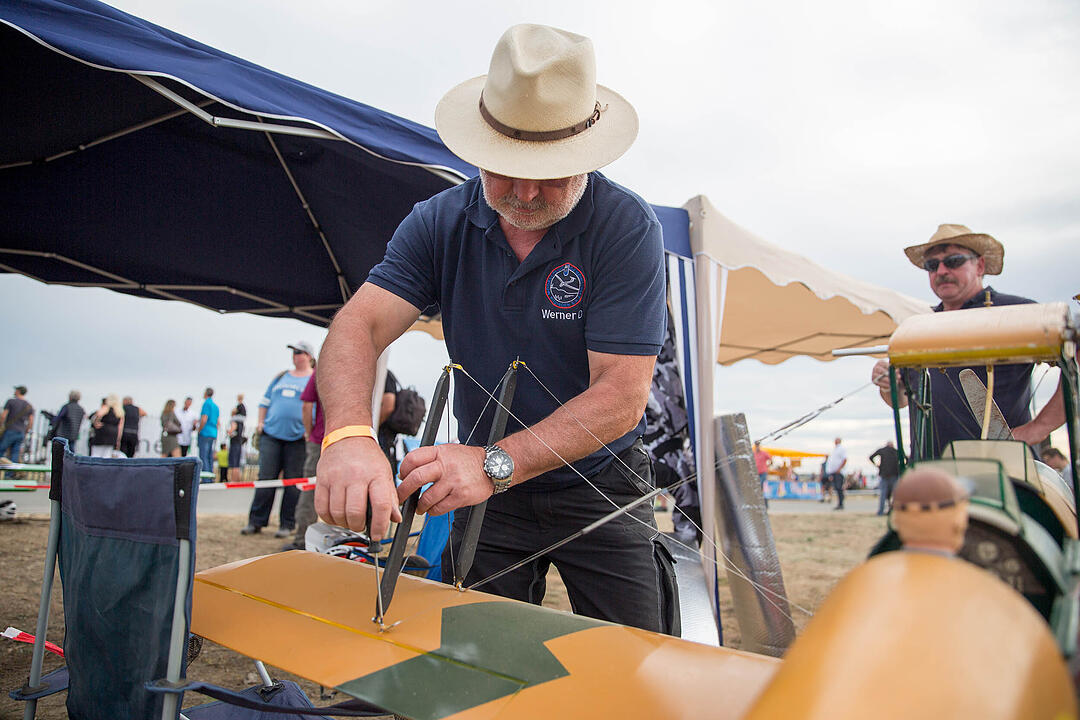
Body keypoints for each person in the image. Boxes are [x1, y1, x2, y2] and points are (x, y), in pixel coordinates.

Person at [316, 25, 671, 632]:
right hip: (484, 487)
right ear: (478, 149)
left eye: (552, 172)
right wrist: (348, 435)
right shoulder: (439, 223)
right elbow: (359, 326)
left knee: (637, 662)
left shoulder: (625, 227)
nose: (527, 193)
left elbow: (621, 396)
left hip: (600, 482)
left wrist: (495, 463)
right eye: (507, 169)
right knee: (468, 661)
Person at [872, 224, 1065, 457]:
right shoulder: (918, 328)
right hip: (929, 474)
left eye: (953, 261)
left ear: (980, 265)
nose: (941, 270)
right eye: (932, 265)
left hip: (1004, 473)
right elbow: (901, 401)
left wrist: (1039, 428)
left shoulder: (1015, 313)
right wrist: (888, 383)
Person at [282, 367, 399, 551]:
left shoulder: (326, 368)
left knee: (315, 491)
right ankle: (352, 544)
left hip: (327, 440)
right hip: (360, 441)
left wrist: (311, 433)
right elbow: (389, 403)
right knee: (347, 495)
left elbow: (307, 404)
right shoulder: (381, 371)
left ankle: (304, 541)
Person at [242, 341, 316, 537]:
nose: (295, 355)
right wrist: (260, 423)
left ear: (308, 356)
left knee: (293, 482)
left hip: (298, 438)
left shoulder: (314, 378)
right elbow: (264, 402)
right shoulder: (281, 377)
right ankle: (256, 521)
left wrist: (308, 430)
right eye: (293, 352)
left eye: (299, 352)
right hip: (271, 435)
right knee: (266, 478)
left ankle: (287, 524)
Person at [0, 385, 34, 463]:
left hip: (10, 430)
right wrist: (26, 431)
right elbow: (31, 421)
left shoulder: (11, 401)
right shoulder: (29, 406)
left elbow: (3, 416)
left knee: (1, 449)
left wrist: (1, 425)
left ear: (18, 391)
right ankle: (11, 473)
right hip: (21, 431)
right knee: (15, 453)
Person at [869, 440, 899, 516]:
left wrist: (877, 465)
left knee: (883, 494)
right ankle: (894, 511)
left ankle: (881, 511)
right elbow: (906, 459)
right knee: (895, 494)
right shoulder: (895, 451)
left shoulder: (882, 450)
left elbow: (871, 457)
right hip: (894, 475)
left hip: (884, 475)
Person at [196, 388, 219, 481]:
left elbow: (204, 418)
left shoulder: (206, 404)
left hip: (205, 432)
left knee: (203, 456)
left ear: (205, 393)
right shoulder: (216, 406)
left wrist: (199, 429)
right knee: (209, 456)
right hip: (213, 433)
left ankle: (205, 479)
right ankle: (210, 477)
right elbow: (218, 421)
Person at [825, 437, 847, 510]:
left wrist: (839, 469)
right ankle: (840, 503)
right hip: (834, 472)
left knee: (839, 487)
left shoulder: (841, 449)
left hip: (838, 472)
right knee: (837, 488)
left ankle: (841, 503)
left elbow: (845, 459)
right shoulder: (835, 449)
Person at [226, 401, 246, 483]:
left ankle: (233, 480)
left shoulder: (234, 420)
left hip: (234, 443)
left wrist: (229, 431)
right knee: (237, 463)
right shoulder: (241, 421)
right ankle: (237, 480)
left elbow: (232, 429)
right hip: (239, 442)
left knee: (234, 463)